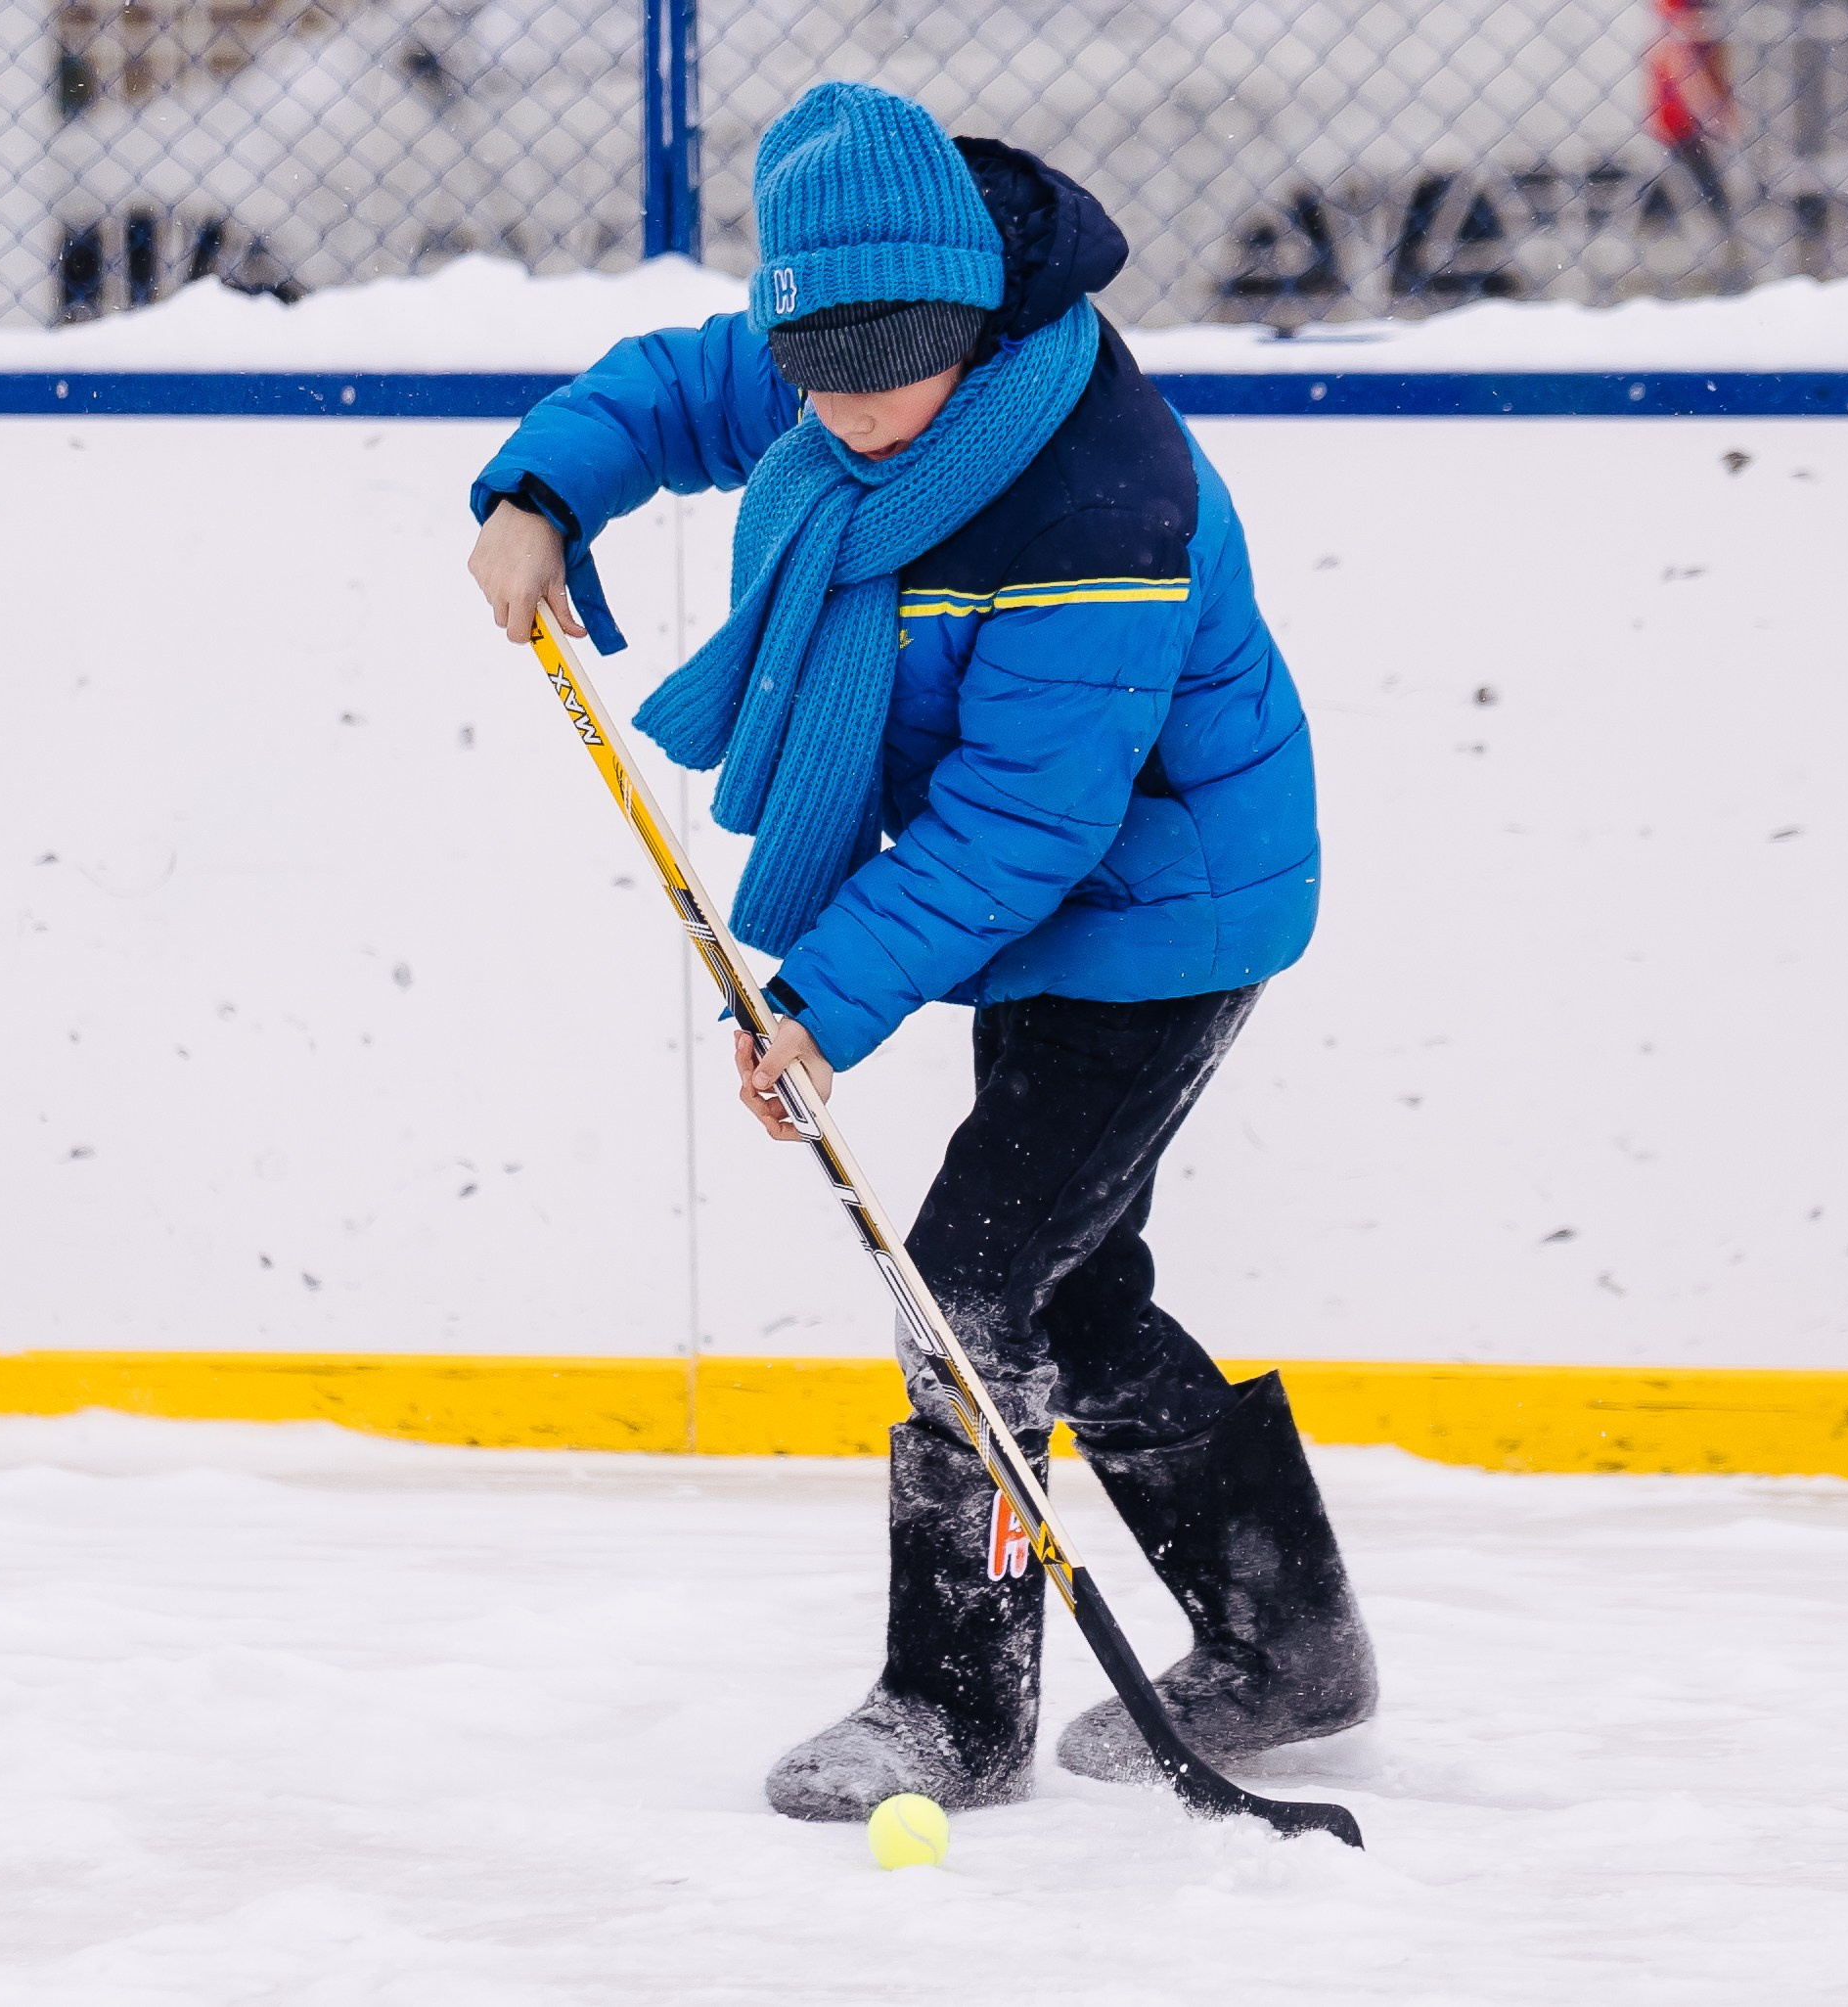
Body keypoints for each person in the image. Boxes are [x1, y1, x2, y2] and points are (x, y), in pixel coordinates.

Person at [466, 81, 1376, 1821]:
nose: (856, 416)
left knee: (967, 1281)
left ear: (971, 317)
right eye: (822, 376)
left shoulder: (1100, 496)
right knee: (1068, 1289)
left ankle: (950, 1707)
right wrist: (539, 497)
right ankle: (1287, 1636)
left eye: (894, 373)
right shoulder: (839, 347)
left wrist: (819, 1003)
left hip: (1165, 911)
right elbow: (667, 391)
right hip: (1046, 910)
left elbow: (1023, 826)